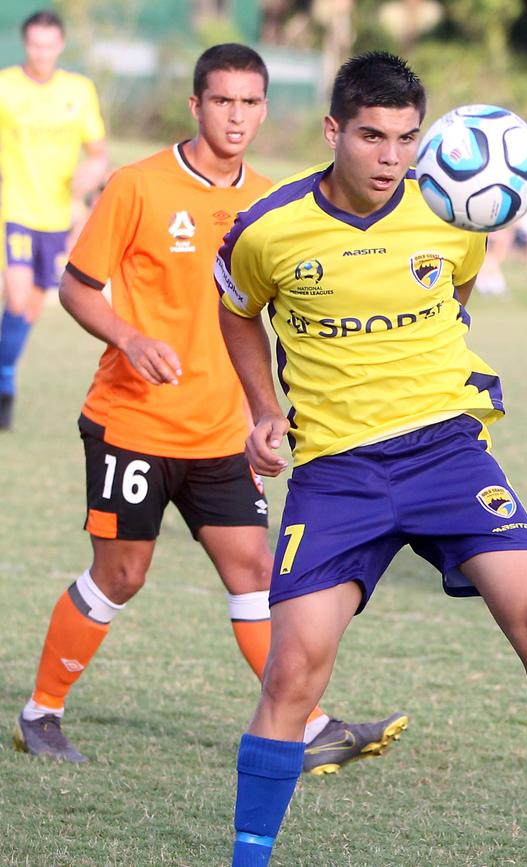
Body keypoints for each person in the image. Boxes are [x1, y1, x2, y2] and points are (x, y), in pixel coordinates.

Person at [216, 51, 527, 867]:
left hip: (447, 453)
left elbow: (453, 295)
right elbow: (236, 310)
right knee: (293, 670)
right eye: (372, 137)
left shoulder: (452, 212)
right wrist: (265, 409)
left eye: (406, 138)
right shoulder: (269, 227)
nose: (391, 158)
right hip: (337, 470)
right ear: (334, 130)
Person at [12, 44, 407, 774]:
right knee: (122, 574)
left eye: (251, 102)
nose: (237, 115)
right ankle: (41, 713)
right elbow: (75, 286)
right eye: (222, 100)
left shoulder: (271, 202)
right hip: (132, 423)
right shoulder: (137, 186)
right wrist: (128, 338)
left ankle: (311, 723)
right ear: (196, 105)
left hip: (221, 432)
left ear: (265, 109)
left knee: (255, 570)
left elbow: (281, 315)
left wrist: (271, 411)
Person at [0, 10, 108, 430]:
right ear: (25, 44)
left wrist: (93, 171)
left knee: (29, 307)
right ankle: (6, 384)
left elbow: (98, 152)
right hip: (18, 210)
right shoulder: (6, 87)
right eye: (34, 45)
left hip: (59, 215)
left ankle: (4, 367)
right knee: (17, 294)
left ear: (59, 46)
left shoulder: (78, 91)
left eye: (49, 45)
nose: (41, 53)